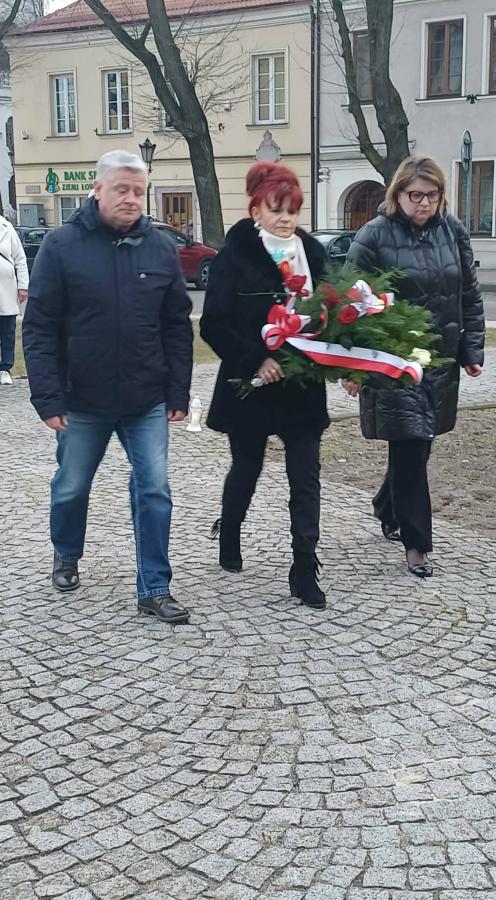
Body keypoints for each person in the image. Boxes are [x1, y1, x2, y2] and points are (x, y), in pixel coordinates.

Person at [23, 150, 193, 624]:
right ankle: (66, 552)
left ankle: (154, 587)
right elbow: (39, 327)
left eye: (139, 191)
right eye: (122, 189)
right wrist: (48, 397)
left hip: (146, 398)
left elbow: (177, 326)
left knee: (154, 489)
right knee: (72, 485)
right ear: (97, 189)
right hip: (82, 399)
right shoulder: (61, 245)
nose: (132, 199)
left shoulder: (160, 248)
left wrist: (178, 391)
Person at [344, 155, 484, 578]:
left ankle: (387, 507)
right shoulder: (374, 235)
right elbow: (350, 299)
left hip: (440, 359)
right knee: (409, 445)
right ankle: (417, 544)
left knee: (420, 445)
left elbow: (469, 293)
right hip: (394, 360)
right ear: (398, 194)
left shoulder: (453, 231)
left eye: (432, 195)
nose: (424, 203)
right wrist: (354, 365)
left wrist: (472, 350)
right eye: (415, 195)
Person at [200, 162, 329, 609]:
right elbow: (213, 324)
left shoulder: (313, 253)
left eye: (292, 210)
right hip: (252, 384)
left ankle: (304, 566)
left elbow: (333, 312)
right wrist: (256, 357)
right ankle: (230, 530)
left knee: (305, 476)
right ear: (255, 210)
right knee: (247, 466)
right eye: (276, 210)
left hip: (302, 387)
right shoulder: (234, 256)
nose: (285, 219)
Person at [0, 214, 28, 385]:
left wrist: (23, 286)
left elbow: (20, 258)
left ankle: (5, 368)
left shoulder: (6, 227)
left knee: (7, 330)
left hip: (6, 287)